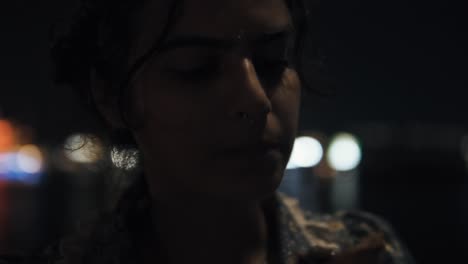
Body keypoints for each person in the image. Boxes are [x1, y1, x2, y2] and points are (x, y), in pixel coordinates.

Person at [1, 0, 415, 263]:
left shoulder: (364, 249)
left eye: (272, 61)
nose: (255, 101)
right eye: (196, 69)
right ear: (114, 97)